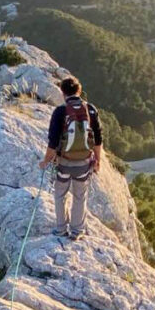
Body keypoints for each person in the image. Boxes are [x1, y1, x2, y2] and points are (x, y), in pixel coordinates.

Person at [39, 75, 103, 239]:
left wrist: (46, 161)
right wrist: (97, 161)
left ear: (62, 92)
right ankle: (77, 231)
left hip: (64, 163)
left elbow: (53, 142)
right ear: (79, 91)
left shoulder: (60, 112)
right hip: (83, 163)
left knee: (60, 194)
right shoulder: (90, 109)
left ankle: (61, 229)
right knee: (80, 196)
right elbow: (98, 138)